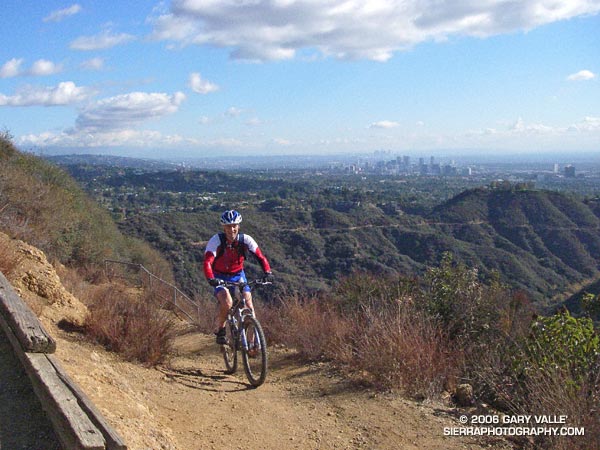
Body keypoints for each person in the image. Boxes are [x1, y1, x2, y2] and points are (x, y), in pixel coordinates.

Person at [203, 209, 273, 344]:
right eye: (228, 226)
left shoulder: (245, 240)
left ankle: (252, 344)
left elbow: (260, 257)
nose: (232, 229)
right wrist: (211, 278)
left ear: (238, 226)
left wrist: (268, 272)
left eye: (234, 225)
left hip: (238, 275)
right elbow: (207, 261)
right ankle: (221, 329)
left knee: (249, 306)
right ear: (223, 227)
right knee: (227, 303)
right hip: (219, 276)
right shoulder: (216, 240)